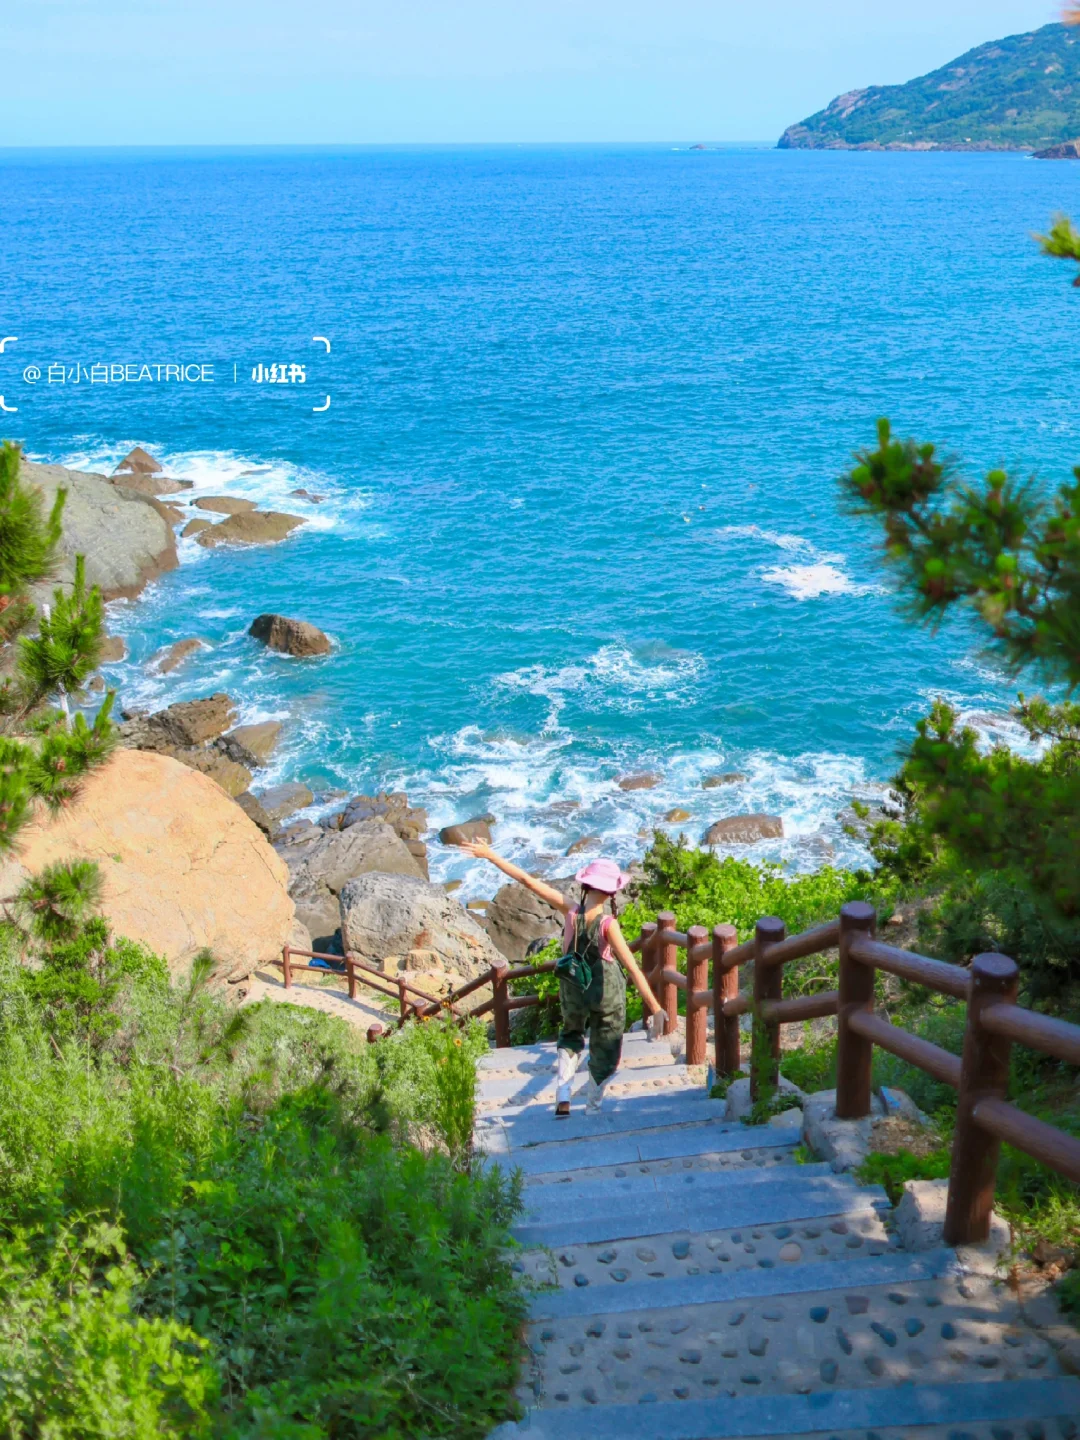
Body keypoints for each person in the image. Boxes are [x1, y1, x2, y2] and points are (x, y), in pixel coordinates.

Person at [453, 839, 663, 1116]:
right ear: (612, 892)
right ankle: (592, 1107)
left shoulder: (571, 911)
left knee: (571, 1035)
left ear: (587, 886)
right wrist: (656, 1008)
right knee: (605, 1045)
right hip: (606, 994)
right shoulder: (608, 925)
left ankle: (563, 1096)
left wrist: (490, 854)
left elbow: (527, 880)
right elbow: (633, 969)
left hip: (573, 988)